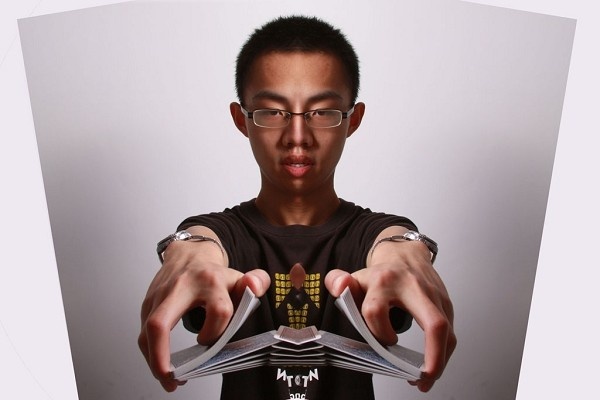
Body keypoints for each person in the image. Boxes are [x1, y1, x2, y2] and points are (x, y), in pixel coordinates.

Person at [138, 15, 456, 400]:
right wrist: (186, 255)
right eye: (272, 112)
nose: (298, 137)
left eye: (323, 112)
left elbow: (395, 243)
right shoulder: (225, 233)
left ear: (353, 120)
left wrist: (409, 255)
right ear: (242, 120)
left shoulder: (368, 233)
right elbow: (199, 242)